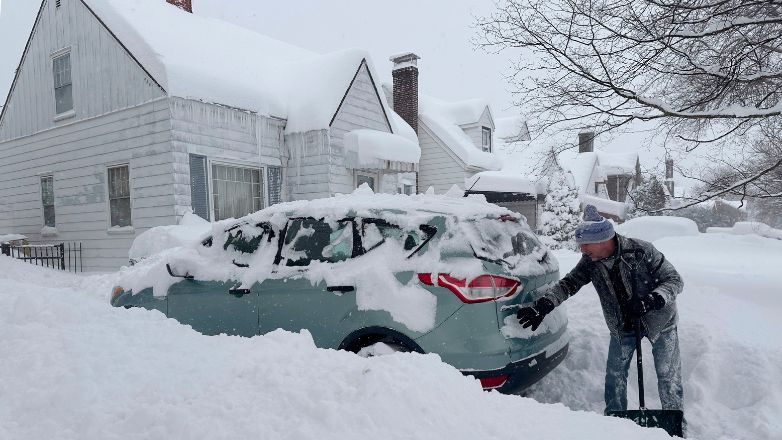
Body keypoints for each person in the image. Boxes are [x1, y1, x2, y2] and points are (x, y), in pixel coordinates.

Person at [517, 204, 684, 415]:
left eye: (585, 244)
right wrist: (543, 306)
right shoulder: (591, 261)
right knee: (615, 376)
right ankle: (615, 420)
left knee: (668, 375)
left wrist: (652, 300)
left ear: (603, 240)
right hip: (623, 324)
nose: (582, 250)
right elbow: (569, 284)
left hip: (660, 320)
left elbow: (674, 280)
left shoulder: (641, 251)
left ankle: (674, 423)